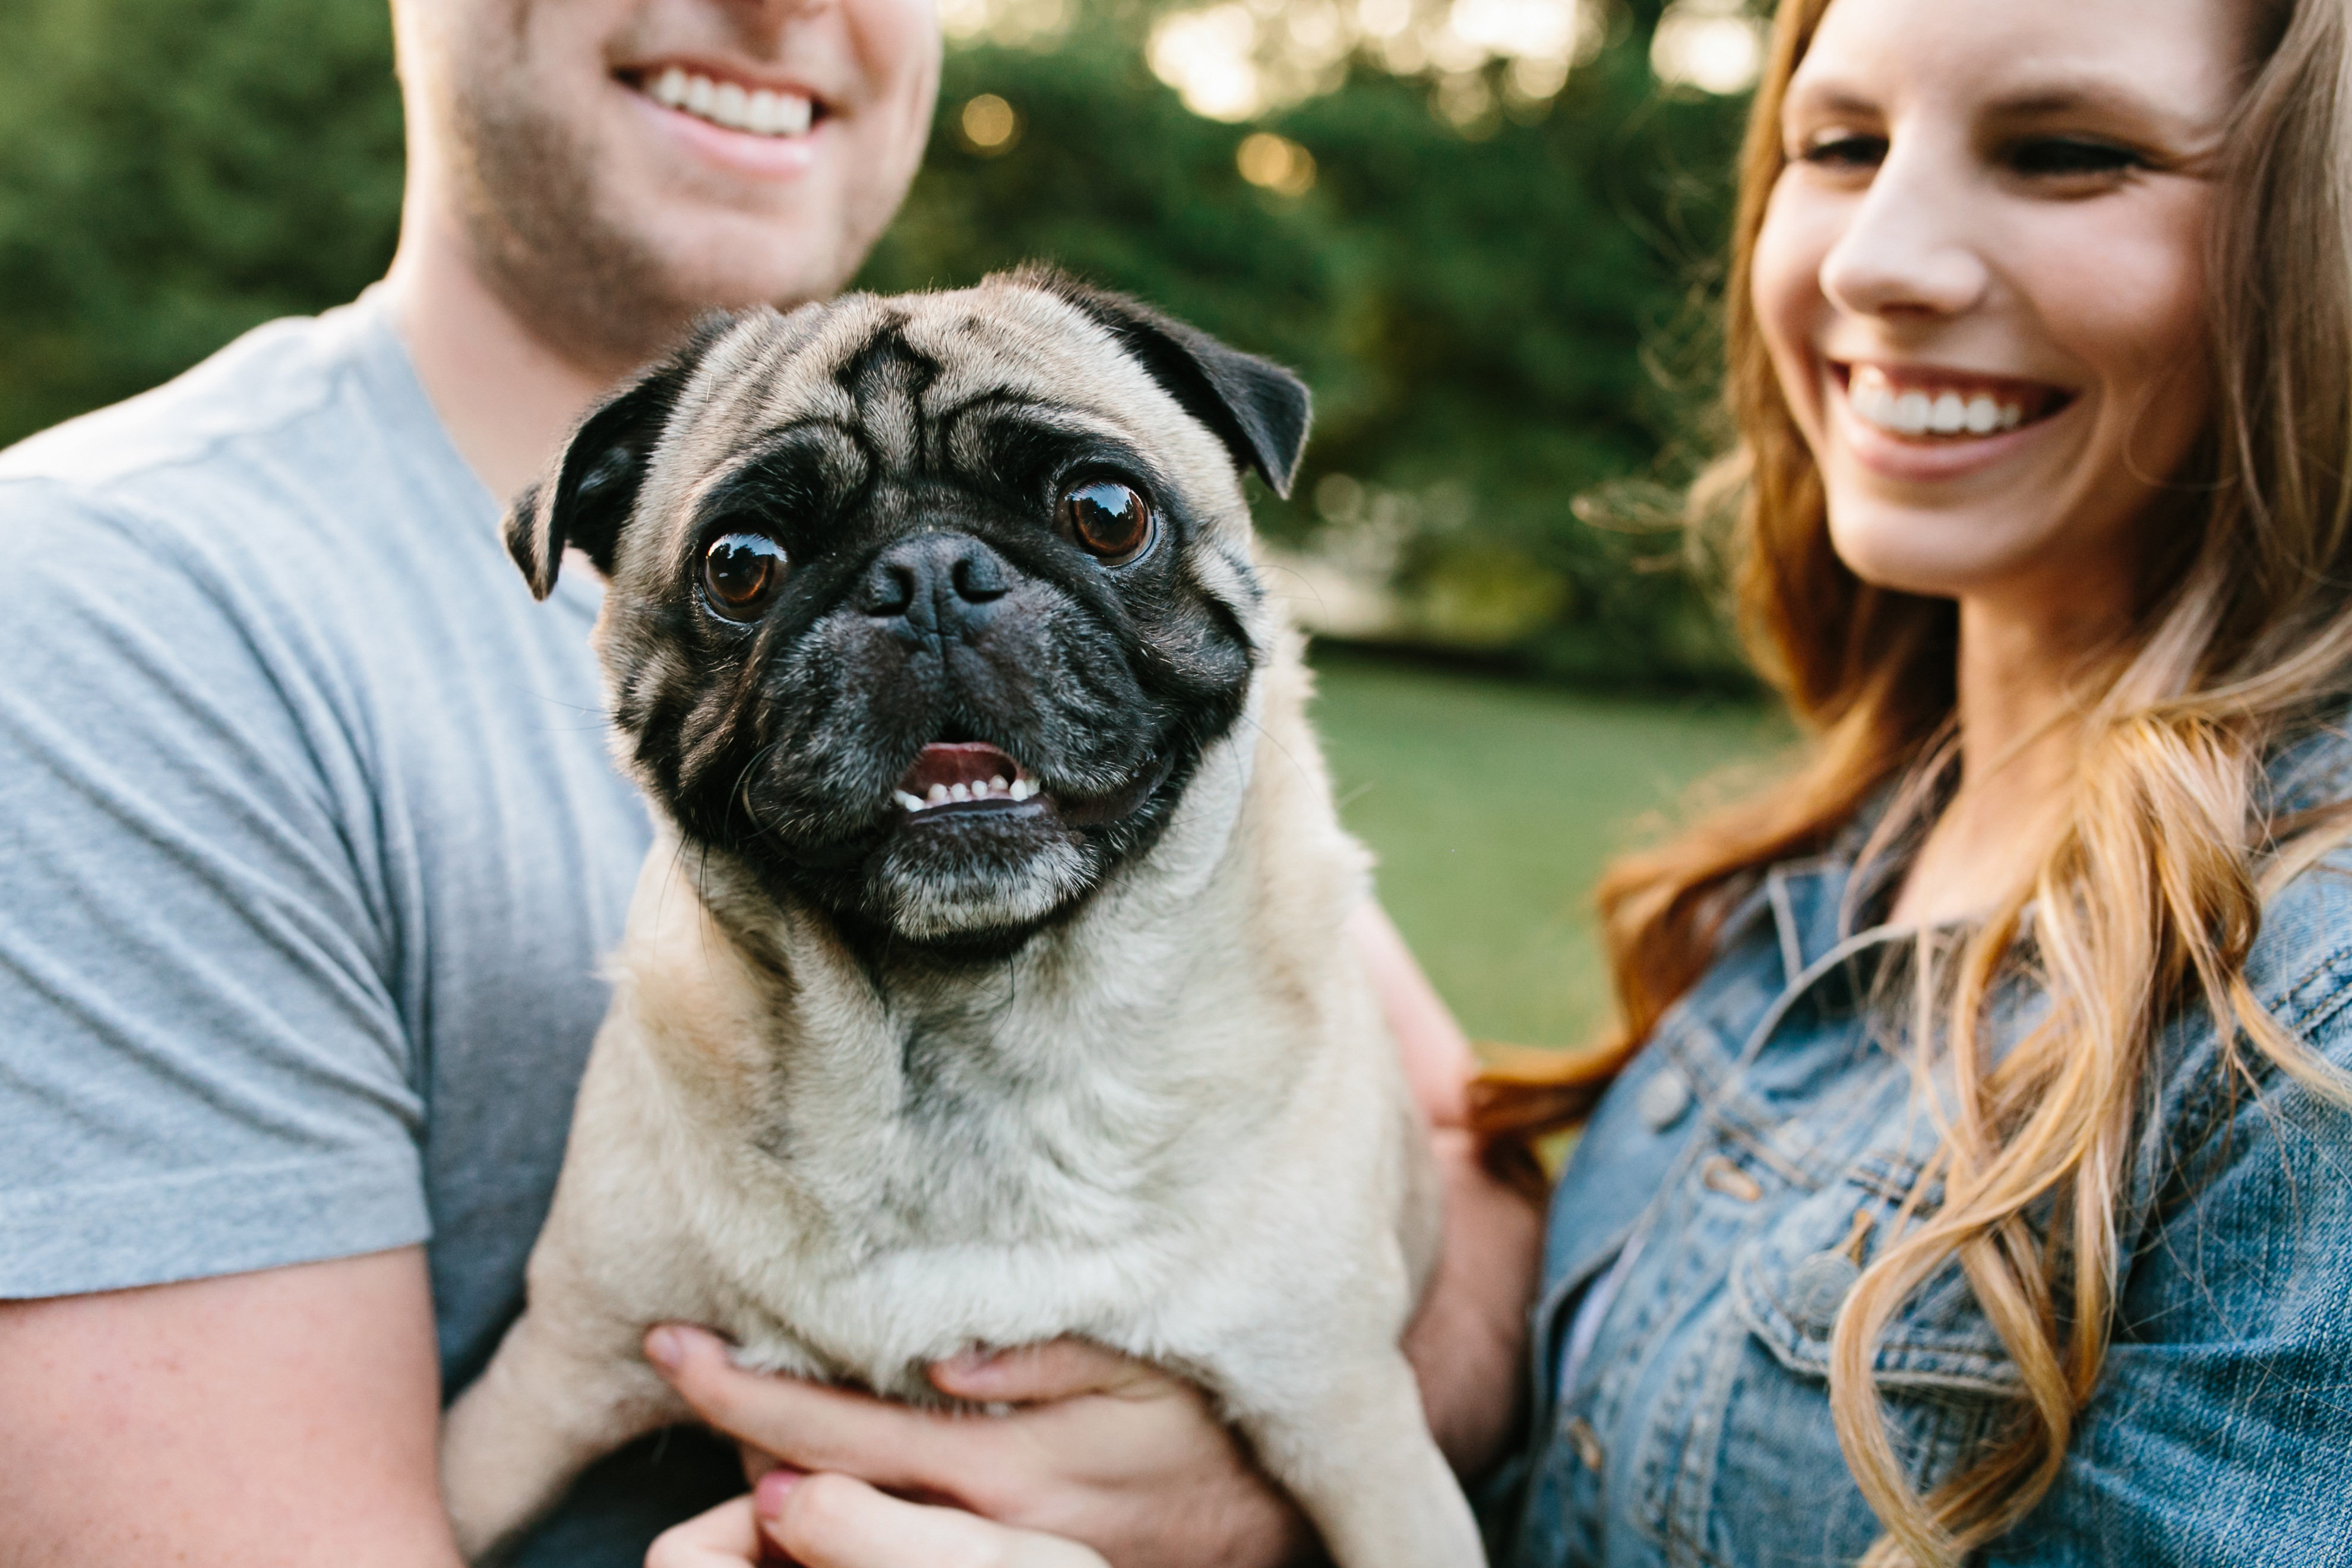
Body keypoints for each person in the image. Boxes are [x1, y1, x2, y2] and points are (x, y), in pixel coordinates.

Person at [644, 0, 2352, 1563]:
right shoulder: (1827, 859)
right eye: (1839, 146)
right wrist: (1269, 1482)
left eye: (2070, 156)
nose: (1882, 259)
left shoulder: (2309, 1026)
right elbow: (1564, 1399)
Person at [0, 0, 1542, 1561]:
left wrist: (1244, 1495)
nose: (940, 605)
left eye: (1095, 519)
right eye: (748, 564)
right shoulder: (98, 625)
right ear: (597, 588)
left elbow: (1475, 1184)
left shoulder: (1250, 848)